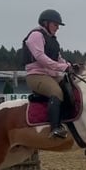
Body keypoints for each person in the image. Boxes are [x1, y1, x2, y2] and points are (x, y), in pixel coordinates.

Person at [23, 9, 76, 139]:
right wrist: (63, 67)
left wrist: (70, 66)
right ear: (45, 23)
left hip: (51, 75)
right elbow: (41, 57)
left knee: (72, 87)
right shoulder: (36, 35)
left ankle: (68, 119)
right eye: (55, 24)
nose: (57, 28)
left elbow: (58, 58)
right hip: (36, 75)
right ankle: (55, 128)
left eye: (58, 25)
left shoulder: (52, 39)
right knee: (56, 92)